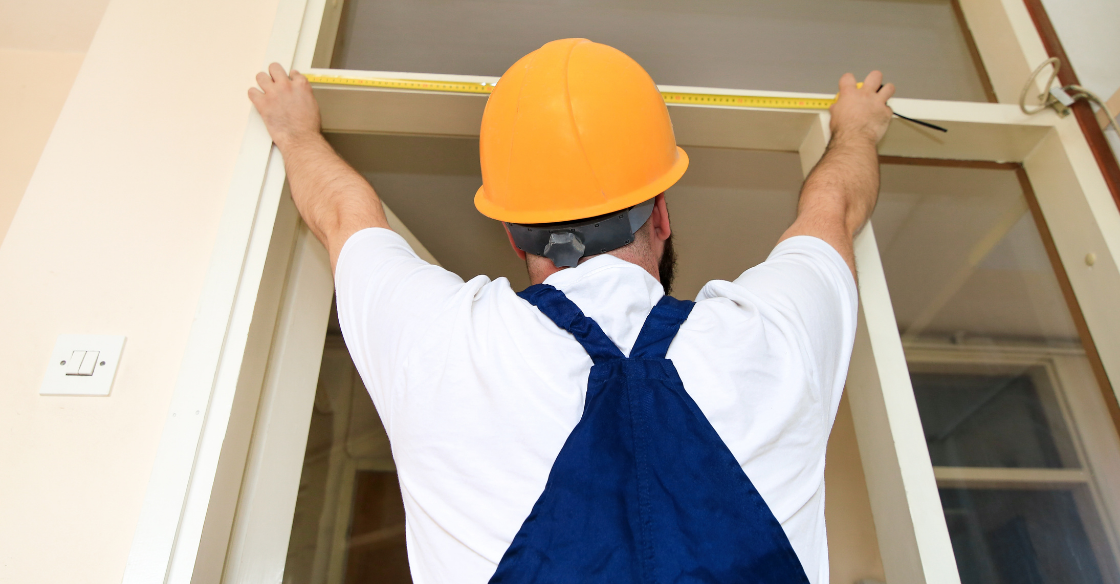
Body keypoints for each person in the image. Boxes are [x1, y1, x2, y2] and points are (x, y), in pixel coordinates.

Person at [249, 38, 893, 584]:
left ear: (513, 234)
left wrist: (294, 130)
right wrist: (857, 126)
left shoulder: (441, 341)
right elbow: (832, 210)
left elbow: (343, 215)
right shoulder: (769, 340)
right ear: (661, 216)